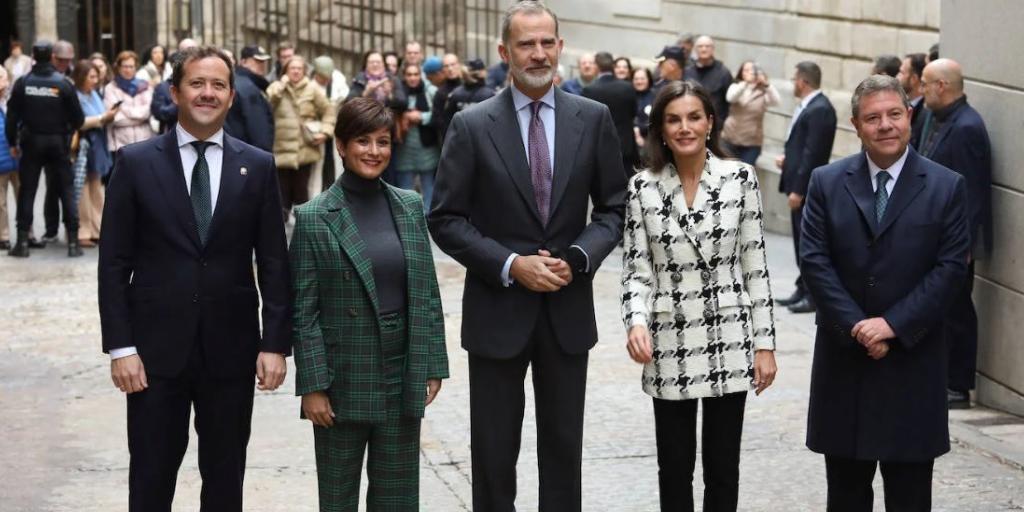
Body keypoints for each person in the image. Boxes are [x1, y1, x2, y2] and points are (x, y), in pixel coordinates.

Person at [428, 2, 626, 510]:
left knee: (563, 449)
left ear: (560, 47)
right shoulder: (471, 125)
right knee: (493, 453)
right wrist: (511, 264)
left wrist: (579, 258)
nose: (538, 53)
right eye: (525, 44)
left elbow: (614, 208)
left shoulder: (594, 118)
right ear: (504, 52)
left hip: (567, 309)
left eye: (546, 42)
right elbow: (446, 218)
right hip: (498, 311)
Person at [98, 46, 291, 512]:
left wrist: (274, 344)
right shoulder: (136, 162)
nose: (208, 93)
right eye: (197, 84)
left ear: (230, 97)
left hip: (232, 350)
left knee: (226, 478)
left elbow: (273, 262)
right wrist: (121, 348)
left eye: (218, 85)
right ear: (175, 92)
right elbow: (113, 262)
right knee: (151, 476)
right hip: (153, 355)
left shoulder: (258, 166)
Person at [801, 74, 969, 511]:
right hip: (846, 365)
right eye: (873, 118)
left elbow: (951, 270)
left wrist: (892, 325)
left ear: (909, 117)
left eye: (894, 114)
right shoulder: (826, 181)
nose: (885, 125)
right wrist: (859, 326)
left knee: (911, 497)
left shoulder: (947, 186)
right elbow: (814, 261)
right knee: (846, 495)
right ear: (856, 125)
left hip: (912, 367)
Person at [621, 80, 778, 512]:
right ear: (661, 129)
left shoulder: (739, 178)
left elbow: (756, 268)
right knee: (674, 469)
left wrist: (764, 345)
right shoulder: (642, 187)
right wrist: (636, 321)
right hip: (668, 337)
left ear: (710, 123)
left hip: (729, 334)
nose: (684, 127)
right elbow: (637, 271)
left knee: (723, 467)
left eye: (694, 117)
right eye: (673, 119)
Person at [291, 97, 449, 512]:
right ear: (340, 145)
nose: (374, 152)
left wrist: (432, 364)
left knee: (397, 497)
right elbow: (303, 312)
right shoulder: (313, 217)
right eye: (362, 141)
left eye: (382, 142)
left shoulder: (409, 205)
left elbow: (427, 293)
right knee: (338, 498)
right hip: (342, 377)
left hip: (402, 369)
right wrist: (312, 386)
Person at [919, 58, 993, 409]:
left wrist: (961, 244)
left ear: (942, 86)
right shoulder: (944, 119)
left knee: (957, 310)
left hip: (955, 242)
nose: (921, 90)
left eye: (925, 83)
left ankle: (958, 385)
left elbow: (972, 192)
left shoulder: (966, 127)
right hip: (939, 237)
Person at [5, 40, 84, 258]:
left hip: (31, 142)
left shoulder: (23, 83)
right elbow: (78, 118)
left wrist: (12, 143)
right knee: (66, 189)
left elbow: (12, 117)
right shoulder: (63, 83)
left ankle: (22, 242)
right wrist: (66, 129)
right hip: (58, 142)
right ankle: (73, 243)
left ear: (32, 55)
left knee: (27, 190)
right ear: (51, 57)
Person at [774, 61, 836, 314]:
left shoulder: (820, 109)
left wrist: (799, 189)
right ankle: (802, 287)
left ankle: (812, 295)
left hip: (806, 190)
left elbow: (813, 154)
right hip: (796, 184)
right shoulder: (809, 106)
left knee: (808, 244)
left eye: (794, 80)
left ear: (803, 81)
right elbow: (801, 147)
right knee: (799, 241)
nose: (792, 84)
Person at [268, 55, 336, 221]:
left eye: (299, 68)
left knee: (302, 191)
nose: (296, 71)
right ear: (285, 71)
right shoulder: (276, 87)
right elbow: (268, 104)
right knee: (281, 191)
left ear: (305, 71)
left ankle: (304, 226)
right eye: (292, 68)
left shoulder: (312, 89)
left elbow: (329, 111)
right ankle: (280, 229)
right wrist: (282, 85)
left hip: (304, 149)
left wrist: (325, 132)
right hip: (281, 149)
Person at [71, 60, 117, 247]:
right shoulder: (75, 96)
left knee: (97, 188)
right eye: (91, 76)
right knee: (82, 189)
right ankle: (83, 231)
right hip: (83, 145)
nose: (96, 80)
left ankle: (99, 230)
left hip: (98, 144)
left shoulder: (95, 95)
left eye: (96, 76)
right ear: (81, 77)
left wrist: (108, 115)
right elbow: (78, 121)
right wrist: (101, 118)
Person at [583, 51, 638, 175]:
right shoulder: (628, 87)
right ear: (613, 66)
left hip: (600, 148)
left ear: (596, 66)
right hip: (625, 146)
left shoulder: (590, 90)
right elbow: (633, 113)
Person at [394, 62, 440, 212]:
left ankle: (429, 219)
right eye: (409, 74)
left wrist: (421, 116)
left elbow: (439, 115)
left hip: (427, 148)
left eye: (416, 74)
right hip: (404, 148)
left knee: (429, 188)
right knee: (404, 191)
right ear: (404, 76)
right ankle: (408, 219)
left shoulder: (431, 91)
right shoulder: (398, 92)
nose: (413, 78)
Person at [721, 60, 780, 166]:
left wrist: (767, 85)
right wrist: (746, 83)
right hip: (729, 139)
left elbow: (776, 101)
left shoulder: (763, 91)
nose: (749, 72)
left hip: (751, 143)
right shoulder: (736, 86)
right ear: (741, 73)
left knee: (744, 174)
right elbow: (731, 97)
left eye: (752, 70)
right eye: (746, 70)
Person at [310, 55, 349, 195]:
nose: (326, 79)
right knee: (317, 170)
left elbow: (343, 97)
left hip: (335, 129)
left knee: (335, 164)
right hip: (317, 131)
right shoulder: (311, 85)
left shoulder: (338, 80)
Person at [225, 45, 274, 152]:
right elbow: (258, 131)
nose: (262, 65)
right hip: (247, 154)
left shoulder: (249, 84)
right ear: (243, 62)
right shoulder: (248, 87)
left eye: (264, 61)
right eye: (257, 61)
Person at [104, 51, 155, 153]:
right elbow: (116, 119)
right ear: (118, 67)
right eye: (125, 66)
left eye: (131, 66)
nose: (128, 70)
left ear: (136, 67)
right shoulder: (110, 88)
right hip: (120, 145)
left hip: (145, 142)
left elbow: (149, 112)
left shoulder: (144, 86)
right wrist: (140, 118)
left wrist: (125, 110)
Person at [684, 36, 732, 122]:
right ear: (695, 50)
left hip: (715, 124)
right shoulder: (687, 71)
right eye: (700, 46)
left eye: (707, 46)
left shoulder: (723, 72)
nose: (704, 49)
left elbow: (729, 102)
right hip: (690, 122)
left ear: (713, 49)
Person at [442, 58, 496, 132]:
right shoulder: (491, 95)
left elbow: (447, 122)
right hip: (484, 139)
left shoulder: (454, 94)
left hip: (461, 139)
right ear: (483, 72)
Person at [0, 67, 17, 250]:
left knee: (23, 196)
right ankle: (3, 236)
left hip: (17, 157)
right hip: (1, 157)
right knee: (1, 203)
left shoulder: (11, 101)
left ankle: (25, 233)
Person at [897, 53, 928, 148]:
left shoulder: (925, 113)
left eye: (901, 73)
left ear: (914, 78)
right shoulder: (903, 104)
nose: (897, 77)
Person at [430, 53, 462, 140]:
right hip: (451, 140)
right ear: (443, 69)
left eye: (453, 64)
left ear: (459, 65)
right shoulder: (440, 93)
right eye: (446, 66)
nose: (450, 69)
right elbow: (436, 119)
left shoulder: (469, 86)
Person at [632, 67, 655, 165]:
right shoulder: (627, 95)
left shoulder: (656, 96)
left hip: (650, 142)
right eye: (636, 79)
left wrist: (640, 130)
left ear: (648, 80)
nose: (639, 82)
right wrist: (635, 130)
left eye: (642, 79)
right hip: (630, 143)